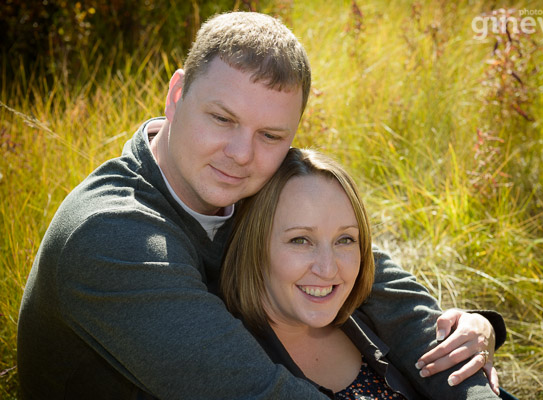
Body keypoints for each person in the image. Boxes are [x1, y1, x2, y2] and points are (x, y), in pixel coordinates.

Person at [17, 11, 504, 399]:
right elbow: (256, 392)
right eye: (222, 118)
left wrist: (474, 348)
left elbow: (387, 296)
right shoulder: (111, 235)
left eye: (271, 135)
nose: (242, 154)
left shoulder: (250, 183)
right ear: (177, 93)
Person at [220, 147, 501, 399]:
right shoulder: (228, 358)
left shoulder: (368, 314)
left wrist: (479, 325)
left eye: (345, 240)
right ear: (254, 245)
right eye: (300, 240)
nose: (328, 269)